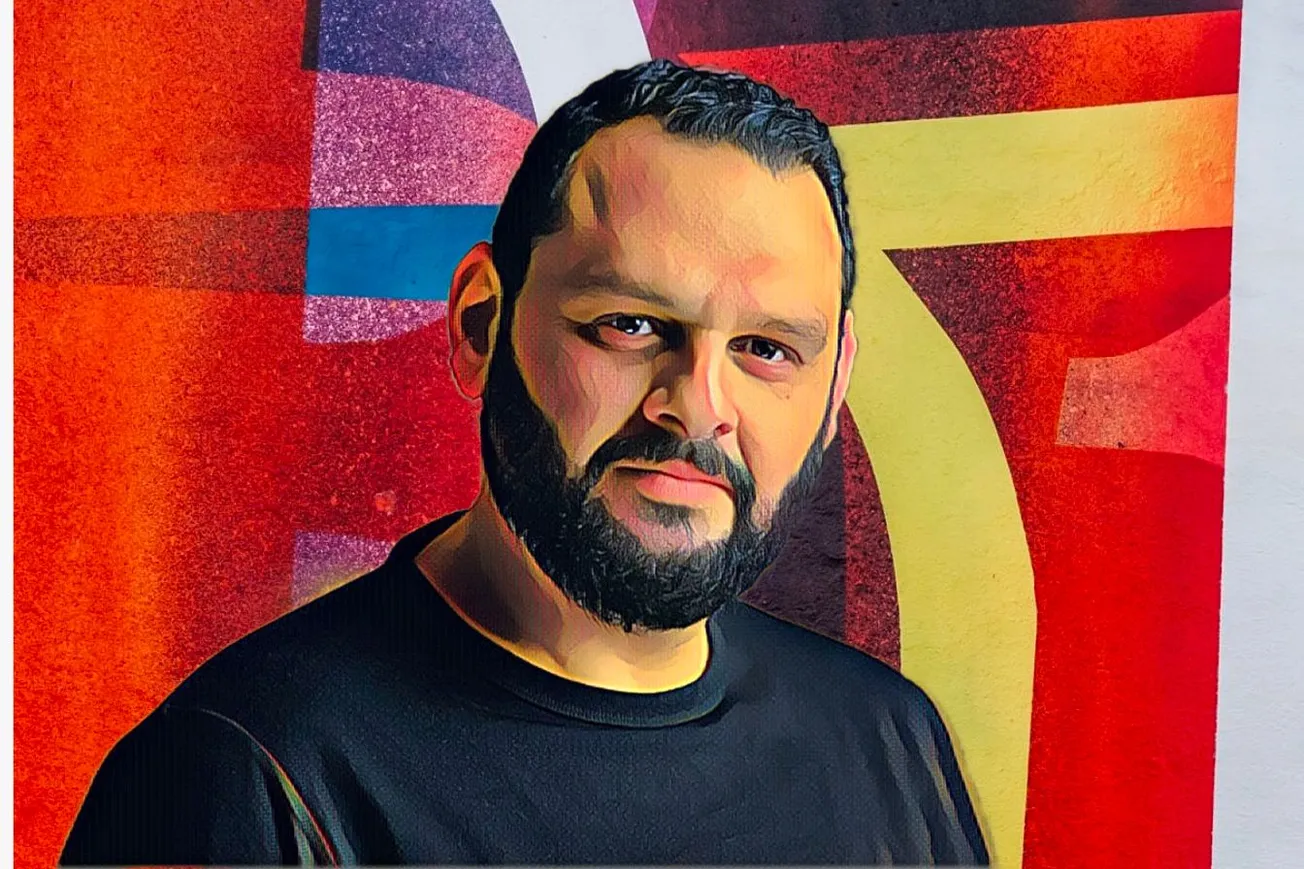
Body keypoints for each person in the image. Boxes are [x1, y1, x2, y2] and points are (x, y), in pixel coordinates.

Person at [61, 59, 989, 866]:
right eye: (630, 324)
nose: (698, 404)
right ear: (481, 324)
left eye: (767, 349)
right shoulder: (244, 774)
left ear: (834, 386)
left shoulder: (889, 742)